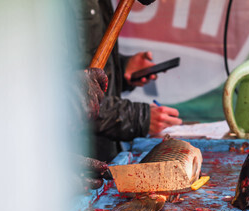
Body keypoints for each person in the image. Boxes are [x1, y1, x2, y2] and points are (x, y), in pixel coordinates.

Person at [73, 0, 182, 163]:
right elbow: (52, 94)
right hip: (70, 163)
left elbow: (86, 69)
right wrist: (136, 118)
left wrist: (122, 68)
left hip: (102, 156)